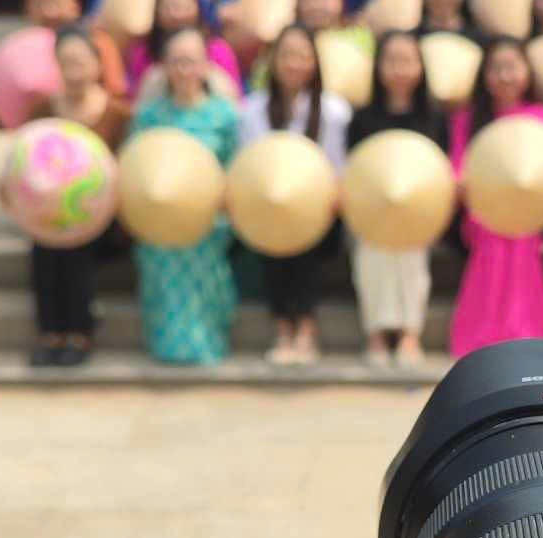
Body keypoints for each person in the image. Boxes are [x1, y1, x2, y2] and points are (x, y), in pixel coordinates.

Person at [17, 25, 131, 368]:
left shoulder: (118, 114)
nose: (74, 70)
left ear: (97, 65)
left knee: (75, 241)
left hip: (104, 218)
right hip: (51, 213)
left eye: (81, 61)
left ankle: (79, 331)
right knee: (45, 243)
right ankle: (50, 332)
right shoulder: (43, 111)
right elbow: (24, 160)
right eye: (66, 62)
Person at [238, 25, 351, 363]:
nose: (294, 64)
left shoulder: (333, 111)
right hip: (268, 208)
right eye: (286, 55)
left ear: (314, 62)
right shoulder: (253, 109)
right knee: (275, 225)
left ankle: (305, 325)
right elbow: (249, 165)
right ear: (273, 61)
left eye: (302, 56)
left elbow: (338, 168)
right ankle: (284, 326)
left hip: (319, 212)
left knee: (304, 234)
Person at [128, 27, 240, 366]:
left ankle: (206, 343)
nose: (183, 70)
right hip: (158, 216)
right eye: (175, 62)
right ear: (163, 67)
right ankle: (167, 344)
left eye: (190, 62)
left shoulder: (225, 115)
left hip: (210, 217)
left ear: (206, 66)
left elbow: (237, 165)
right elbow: (133, 163)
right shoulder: (149, 115)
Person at [448, 39, 543, 356]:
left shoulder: (542, 116)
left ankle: (524, 330)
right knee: (493, 235)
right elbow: (459, 167)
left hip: (529, 212)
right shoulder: (468, 118)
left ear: (527, 72)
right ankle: (486, 333)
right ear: (484, 75)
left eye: (512, 67)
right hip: (482, 211)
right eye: (496, 68)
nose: (505, 76)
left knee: (522, 236)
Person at [346, 30, 447, 366]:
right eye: (391, 61)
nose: (399, 69)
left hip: (420, 213)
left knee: (411, 256)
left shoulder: (434, 118)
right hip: (371, 213)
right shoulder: (362, 119)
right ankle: (376, 333)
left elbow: (441, 170)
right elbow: (354, 169)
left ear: (420, 67)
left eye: (407, 61)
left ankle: (408, 333)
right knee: (371, 254)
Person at [0, 0, 126, 113]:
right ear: (27, 9)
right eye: (40, 4)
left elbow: (116, 93)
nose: (49, 12)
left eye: (56, 2)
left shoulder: (98, 42)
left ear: (75, 5)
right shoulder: (15, 50)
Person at [125, 0, 242, 96]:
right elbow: (137, 98)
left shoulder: (218, 50)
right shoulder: (144, 53)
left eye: (183, 3)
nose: (176, 12)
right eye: (168, 5)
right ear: (157, 11)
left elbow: (233, 97)